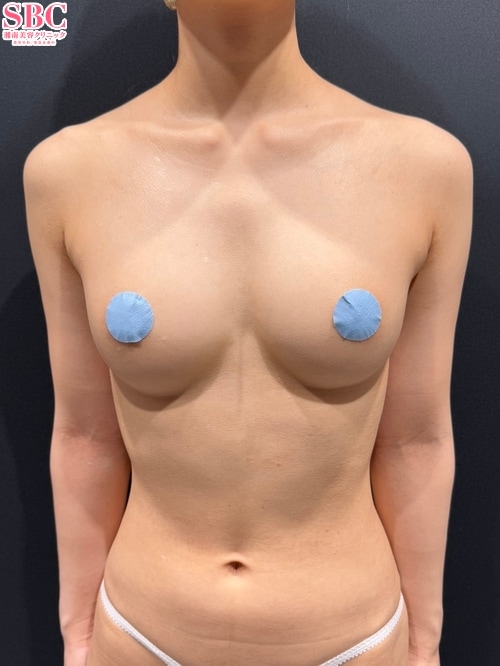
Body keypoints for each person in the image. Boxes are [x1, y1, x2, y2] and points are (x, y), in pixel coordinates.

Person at [23, 1, 472, 664]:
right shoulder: (67, 172)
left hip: (354, 638)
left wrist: (425, 645)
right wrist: (78, 636)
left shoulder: (424, 167)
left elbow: (416, 439)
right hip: (139, 635)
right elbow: (85, 435)